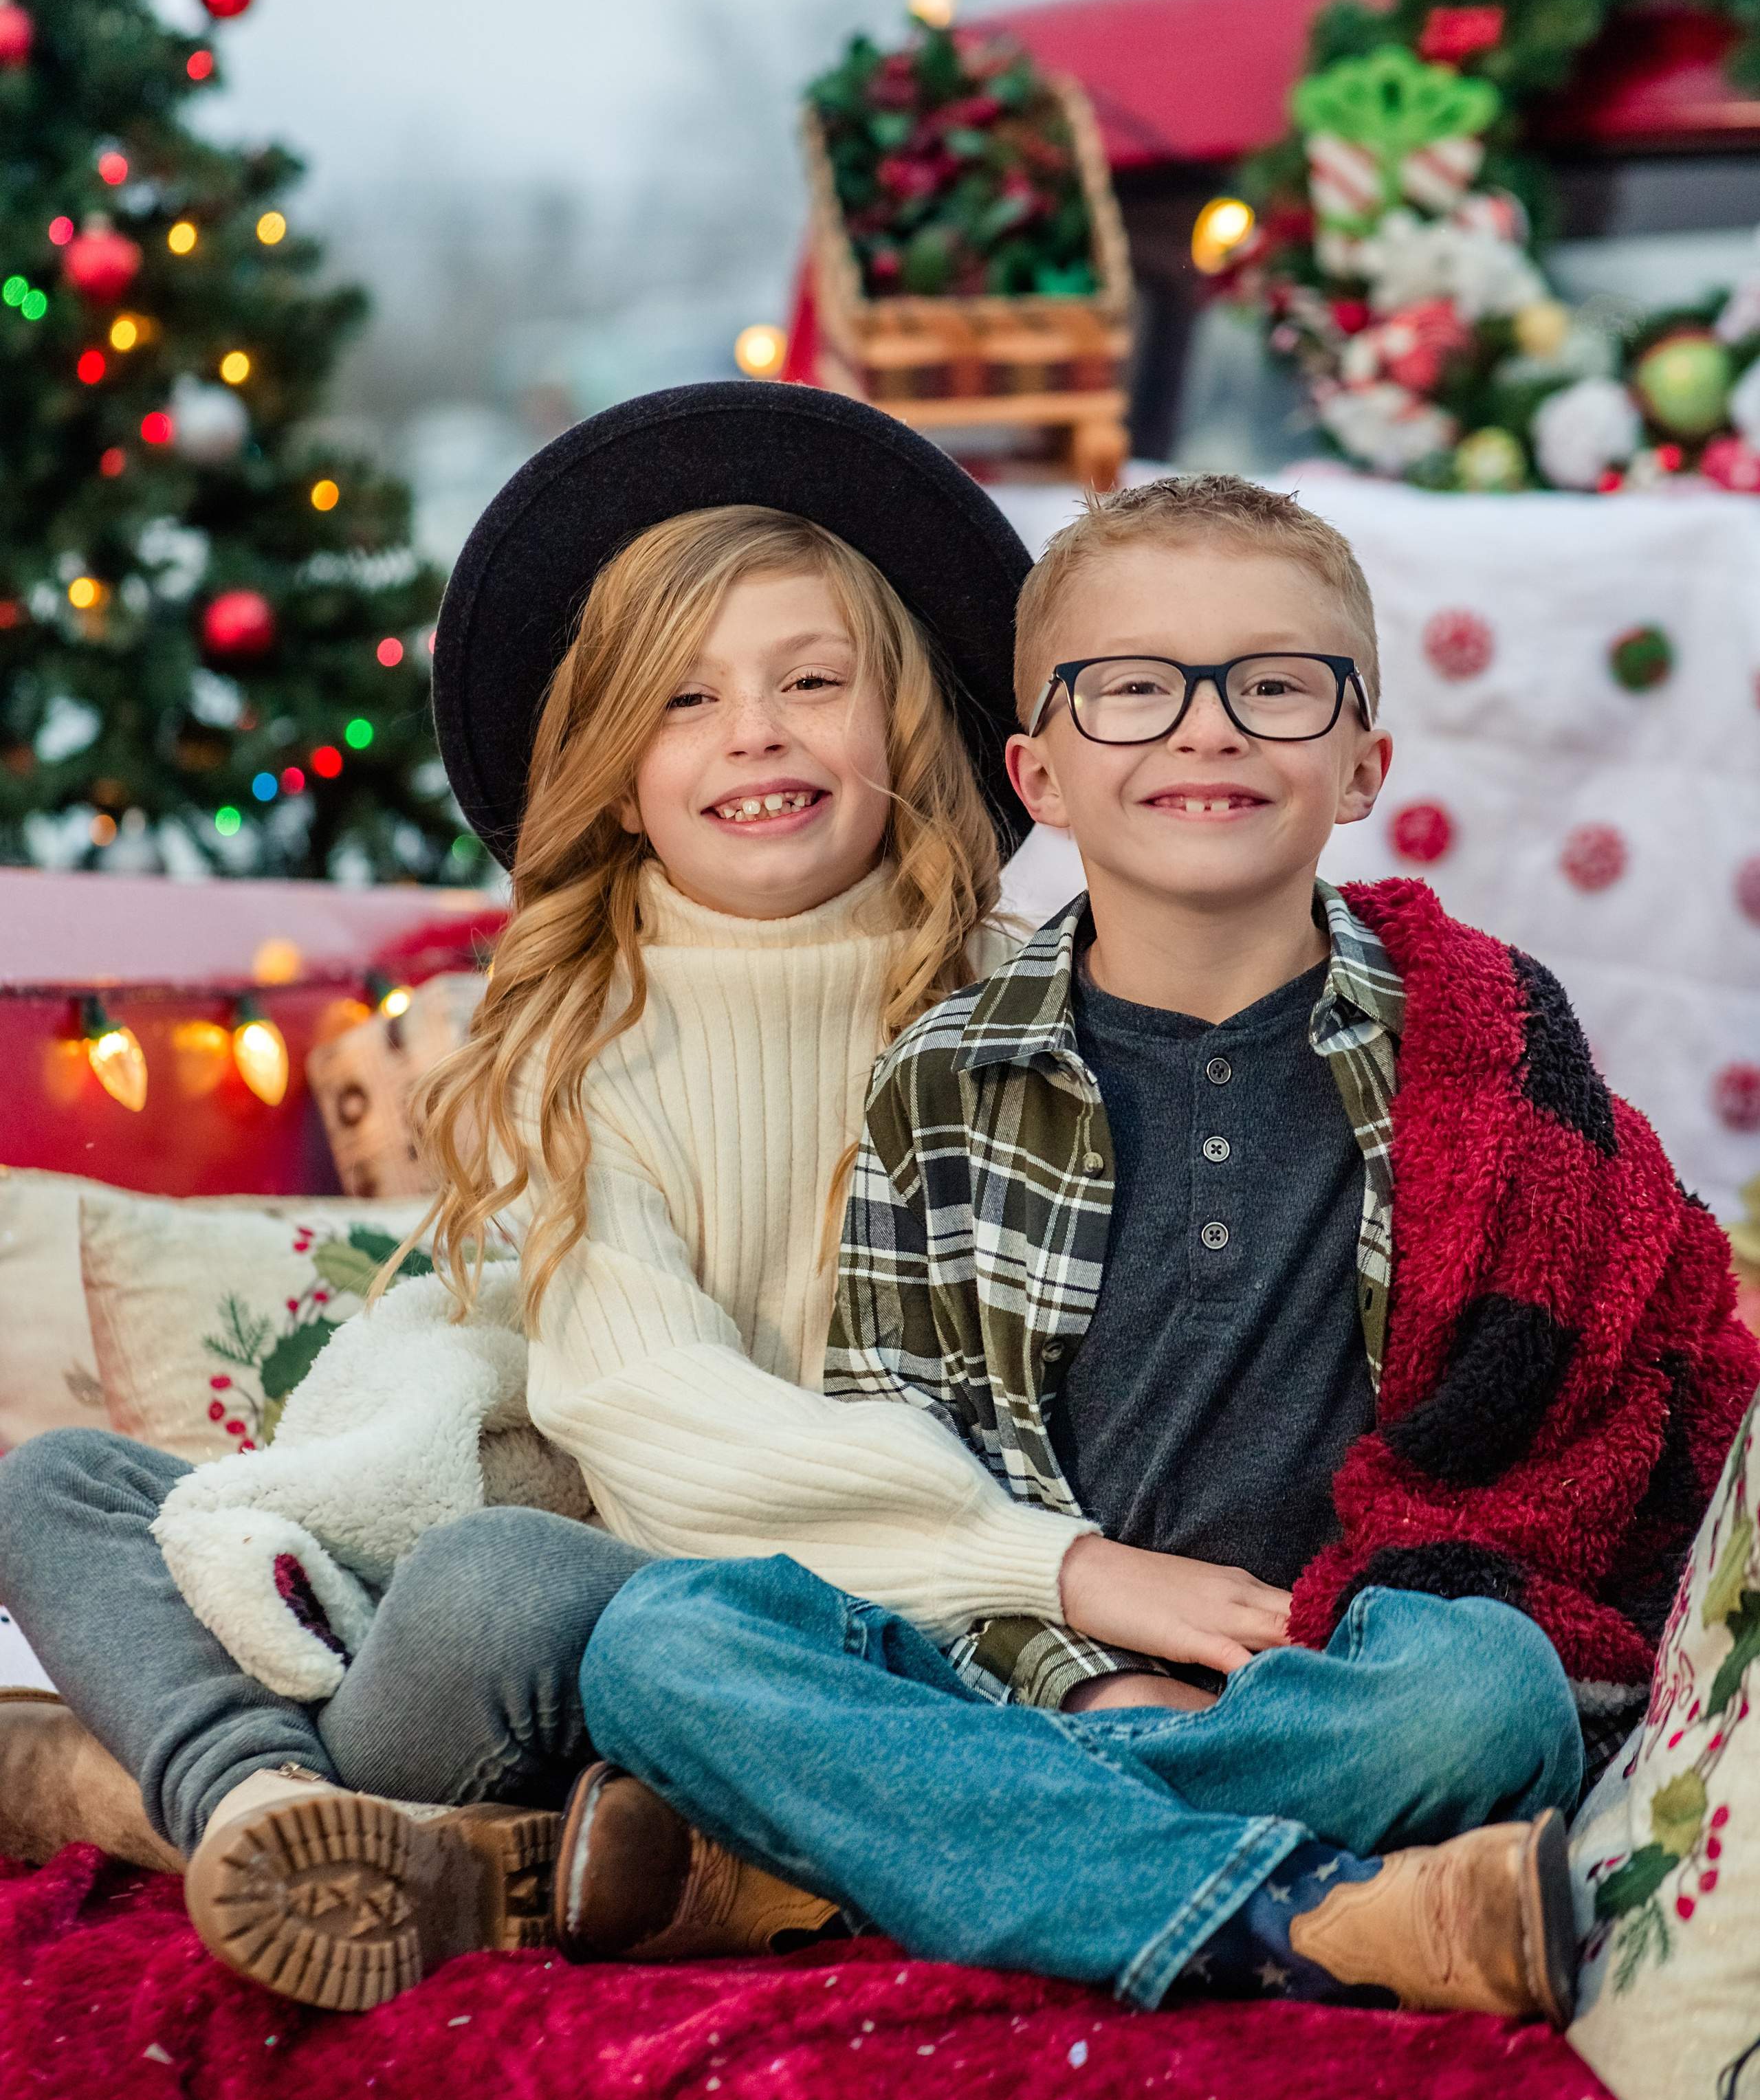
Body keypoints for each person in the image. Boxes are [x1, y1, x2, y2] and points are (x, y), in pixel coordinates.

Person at [0, 390, 1257, 2011]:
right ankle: (264, 1806)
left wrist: (1047, 1573)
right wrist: (1066, 1565)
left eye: (812, 681)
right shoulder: (581, 1042)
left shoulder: (1037, 1011)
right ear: (611, 776)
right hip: (560, 1601)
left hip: (829, 1627)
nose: (756, 731)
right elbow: (635, 1402)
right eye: (683, 700)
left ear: (911, 728)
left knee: (519, 1584)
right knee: (69, 1487)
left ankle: (184, 1791)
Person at [558, 472, 1759, 2025]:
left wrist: (1326, 1648)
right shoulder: (942, 1073)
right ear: (1038, 771)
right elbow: (909, 1450)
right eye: (1132, 690)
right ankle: (1307, 1913)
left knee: (1487, 1699)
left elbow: (1606, 1403)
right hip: (1038, 1662)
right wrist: (1086, 1676)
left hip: (1335, 1669)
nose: (1205, 729)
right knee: (665, 1641)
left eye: (1272, 686)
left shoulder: (1482, 1050)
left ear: (1361, 763)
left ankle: (883, 1855)